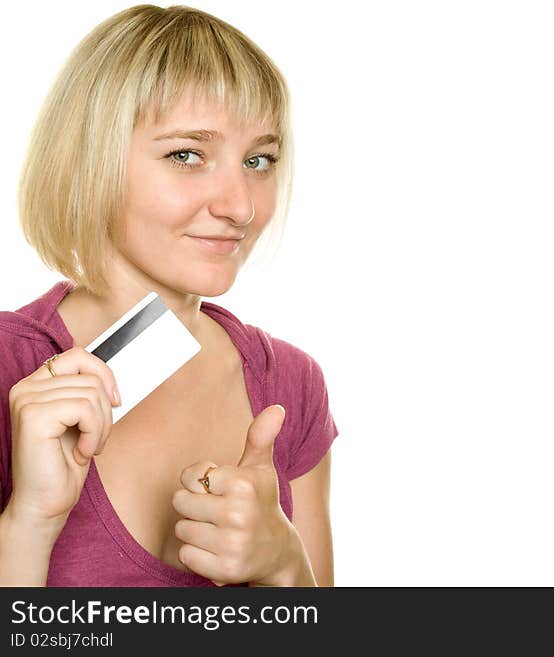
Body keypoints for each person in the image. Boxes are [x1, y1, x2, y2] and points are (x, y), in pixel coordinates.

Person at [0, 5, 339, 587]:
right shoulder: (8, 366)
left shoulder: (290, 384)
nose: (241, 206)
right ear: (90, 161)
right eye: (187, 155)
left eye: (258, 161)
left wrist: (285, 570)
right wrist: (28, 522)